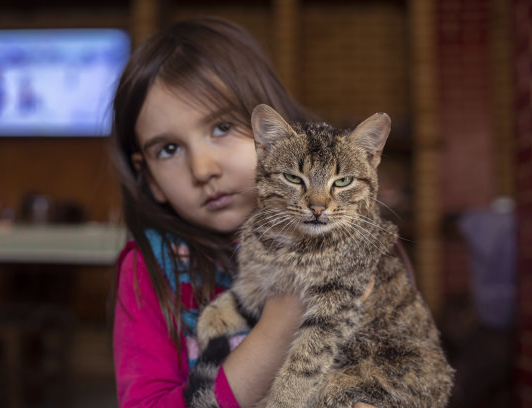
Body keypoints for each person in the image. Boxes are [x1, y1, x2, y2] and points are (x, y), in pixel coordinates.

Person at [110, 16, 376, 408]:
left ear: (273, 137)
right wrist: (280, 322)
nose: (203, 170)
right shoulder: (147, 270)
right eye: (168, 149)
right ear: (148, 178)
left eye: (221, 127)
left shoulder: (356, 239)